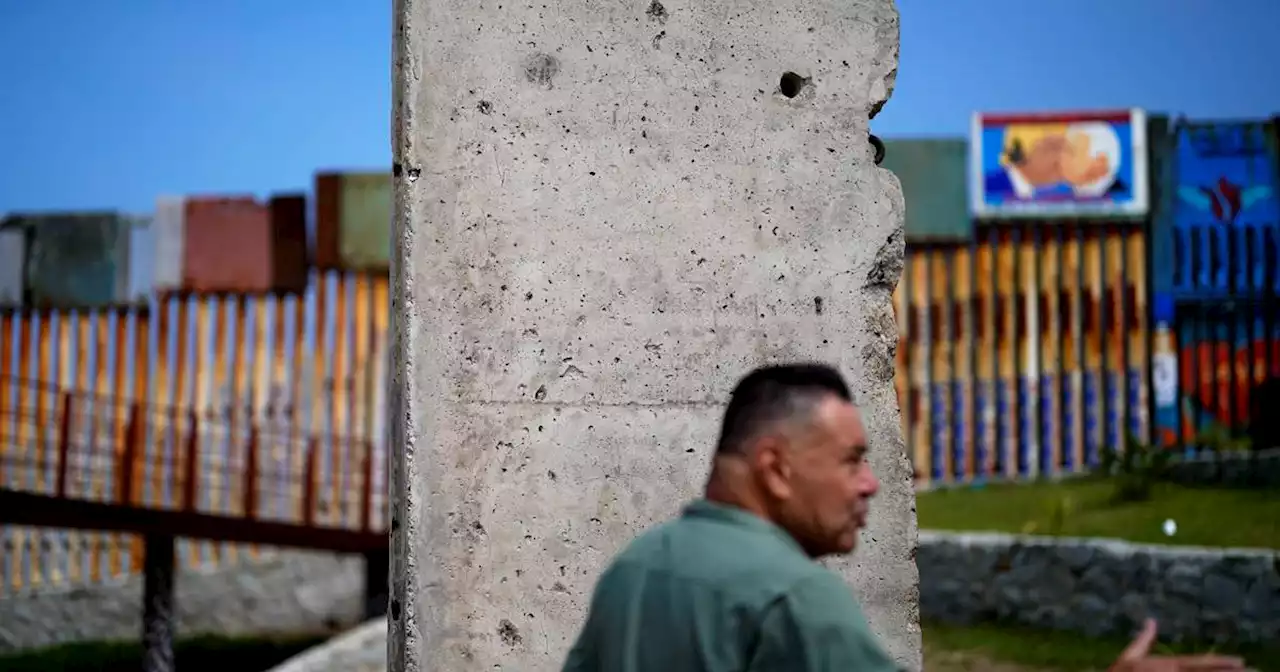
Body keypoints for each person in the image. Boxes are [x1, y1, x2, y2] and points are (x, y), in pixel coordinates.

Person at [561, 363, 1247, 672]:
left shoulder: (636, 567)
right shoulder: (793, 597)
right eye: (852, 459)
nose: (872, 483)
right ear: (775, 468)